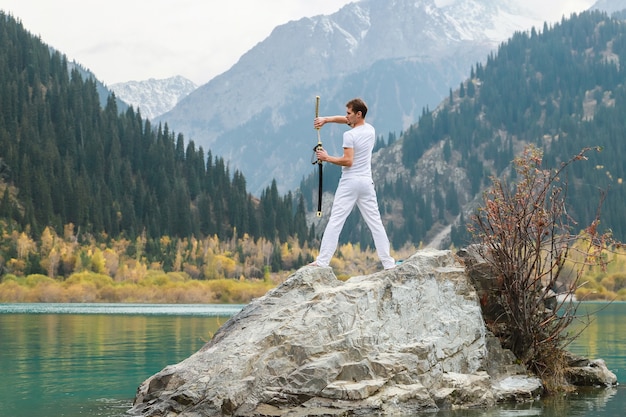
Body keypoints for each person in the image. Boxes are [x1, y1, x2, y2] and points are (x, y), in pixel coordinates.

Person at [308, 98, 395, 270]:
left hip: (349, 182)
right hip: (366, 183)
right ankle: (388, 264)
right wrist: (326, 119)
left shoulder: (349, 135)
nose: (346, 116)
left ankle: (322, 261)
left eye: (349, 113)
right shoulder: (370, 130)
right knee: (375, 223)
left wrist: (326, 158)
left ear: (358, 114)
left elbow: (348, 161)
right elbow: (346, 121)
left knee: (336, 221)